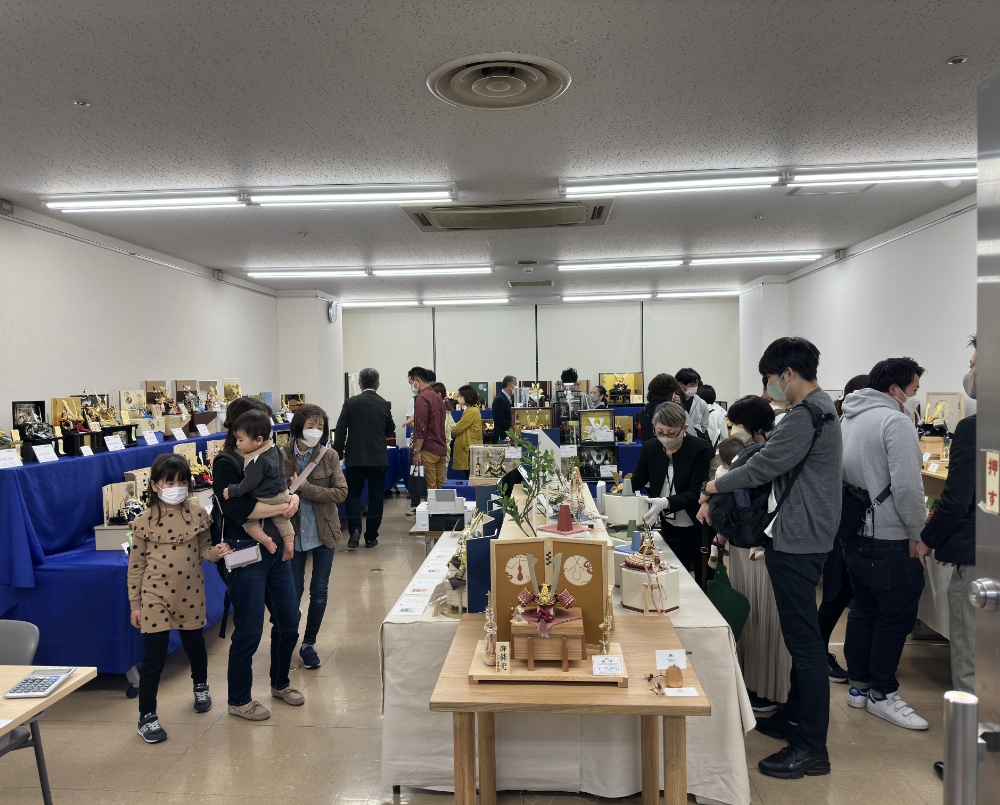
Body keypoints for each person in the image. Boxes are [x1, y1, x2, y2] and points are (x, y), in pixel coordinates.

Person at [703, 337, 842, 779]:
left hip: (799, 539)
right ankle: (794, 718)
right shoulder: (813, 411)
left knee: (804, 644)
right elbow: (763, 454)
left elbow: (765, 465)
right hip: (800, 535)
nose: (768, 389)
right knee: (800, 639)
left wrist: (715, 486)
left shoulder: (808, 414)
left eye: (769, 378)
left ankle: (811, 747)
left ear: (787, 374)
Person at [840, 358, 929, 730]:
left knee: (863, 608)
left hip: (854, 531)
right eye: (912, 390)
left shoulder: (849, 417)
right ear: (894, 389)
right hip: (890, 534)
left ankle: (859, 686)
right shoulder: (895, 422)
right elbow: (908, 487)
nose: (913, 397)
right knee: (895, 618)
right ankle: (883, 693)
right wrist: (919, 533)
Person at [128, 453, 230, 743]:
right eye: (170, 482)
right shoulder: (143, 521)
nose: (177, 487)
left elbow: (204, 550)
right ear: (156, 486)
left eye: (183, 482)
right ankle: (146, 715)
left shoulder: (198, 514)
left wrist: (217, 553)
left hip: (190, 592)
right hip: (154, 596)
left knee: (195, 647)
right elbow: (136, 568)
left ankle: (201, 686)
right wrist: (135, 604)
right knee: (154, 659)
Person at [213, 397, 303, 721]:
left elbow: (284, 488)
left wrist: (291, 498)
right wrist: (282, 506)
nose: (264, 432)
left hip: (276, 547)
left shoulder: (269, 455)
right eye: (258, 424)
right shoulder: (227, 462)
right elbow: (237, 510)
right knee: (249, 628)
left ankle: (280, 683)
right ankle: (239, 699)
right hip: (244, 550)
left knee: (289, 619)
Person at [707, 397, 791, 712]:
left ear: (749, 425)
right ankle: (765, 686)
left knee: (757, 617)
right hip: (766, 544)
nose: (733, 430)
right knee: (763, 617)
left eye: (737, 424)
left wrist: (708, 491)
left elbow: (726, 492)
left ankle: (763, 689)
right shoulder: (775, 451)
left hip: (752, 545)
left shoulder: (754, 455)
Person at [922, 337, 977, 780]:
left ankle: (972, 758)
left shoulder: (976, 430)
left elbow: (957, 498)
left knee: (972, 660)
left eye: (975, 363)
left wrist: (933, 538)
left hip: (982, 566)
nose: (971, 370)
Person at [283, 403, 348, 669]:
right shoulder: (281, 455)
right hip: (292, 534)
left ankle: (309, 644)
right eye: (311, 427)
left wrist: (305, 488)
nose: (316, 431)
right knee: (292, 592)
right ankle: (288, 639)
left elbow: (340, 493)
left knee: (319, 591)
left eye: (320, 427)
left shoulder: (328, 455)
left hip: (324, 531)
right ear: (299, 427)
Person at [820, 372, 870, 685]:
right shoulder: (844, 425)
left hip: (843, 520)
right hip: (842, 522)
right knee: (837, 594)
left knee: (842, 593)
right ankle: (817, 652)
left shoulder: (846, 423)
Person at [633, 401, 713, 585]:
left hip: (698, 522)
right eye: (659, 432)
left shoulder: (699, 448)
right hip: (669, 523)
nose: (665, 437)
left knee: (702, 576)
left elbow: (696, 491)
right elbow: (637, 481)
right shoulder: (651, 448)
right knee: (673, 572)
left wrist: (666, 502)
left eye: (671, 433)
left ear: (684, 428)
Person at [334, 367, 396, 548]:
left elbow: (340, 429)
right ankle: (371, 537)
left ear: (360, 384)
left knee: (353, 494)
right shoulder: (384, 403)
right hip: (378, 458)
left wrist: (338, 454)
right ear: (378, 384)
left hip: (355, 457)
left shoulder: (351, 403)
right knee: (376, 497)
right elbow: (389, 428)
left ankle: (354, 530)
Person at [223, 410, 294, 559]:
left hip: (265, 497)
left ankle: (264, 539)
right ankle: (289, 544)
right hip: (282, 493)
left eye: (241, 440)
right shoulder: (274, 449)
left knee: (247, 520)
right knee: (282, 519)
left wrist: (232, 491)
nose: (237, 443)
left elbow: (249, 483)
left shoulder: (256, 460)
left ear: (259, 440)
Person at [410, 366, 447, 491]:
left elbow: (421, 428)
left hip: (428, 450)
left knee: (430, 491)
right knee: (441, 489)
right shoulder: (438, 398)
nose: (412, 387)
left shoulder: (422, 398)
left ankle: (432, 511)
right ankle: (443, 511)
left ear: (418, 380)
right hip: (441, 449)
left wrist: (417, 451)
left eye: (411, 383)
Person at [638, 373, 685, 442]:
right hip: (671, 449)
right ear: (671, 392)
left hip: (649, 449)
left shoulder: (644, 410)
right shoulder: (676, 409)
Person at [451, 385, 484, 479]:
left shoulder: (471, 411)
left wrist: (455, 429)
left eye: (461, 396)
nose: (458, 398)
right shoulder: (471, 409)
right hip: (470, 446)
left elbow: (458, 429)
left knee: (470, 476)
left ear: (467, 397)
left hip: (469, 447)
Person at [676, 368, 712, 438]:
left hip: (695, 439)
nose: (695, 387)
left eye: (697, 384)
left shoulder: (701, 403)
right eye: (692, 384)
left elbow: (704, 425)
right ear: (680, 384)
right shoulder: (673, 401)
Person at [697, 384, 729, 448]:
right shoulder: (718, 414)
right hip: (713, 451)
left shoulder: (695, 411)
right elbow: (725, 438)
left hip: (697, 449)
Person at [432, 383, 456, 460]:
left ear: (439, 394)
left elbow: (452, 428)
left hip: (439, 449)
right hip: (441, 449)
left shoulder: (444, 412)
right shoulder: (445, 411)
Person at [491, 375, 516, 440]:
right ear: (509, 384)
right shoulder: (499, 399)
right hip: (502, 436)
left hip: (509, 434)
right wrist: (513, 424)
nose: (516, 387)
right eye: (515, 384)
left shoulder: (509, 398)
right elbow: (498, 420)